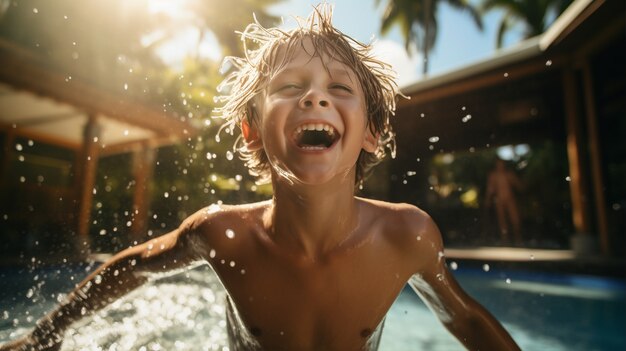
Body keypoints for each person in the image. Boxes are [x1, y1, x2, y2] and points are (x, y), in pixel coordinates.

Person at [1, 5, 520, 351]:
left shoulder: (406, 236)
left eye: (339, 89)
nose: (313, 97)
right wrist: (43, 336)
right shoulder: (225, 235)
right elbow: (134, 268)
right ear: (250, 131)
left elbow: (466, 320)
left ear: (373, 132)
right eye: (289, 86)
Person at [485, 158, 524, 246]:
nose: (500, 166)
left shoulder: (508, 174)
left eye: (502, 164)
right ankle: (505, 240)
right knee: (502, 221)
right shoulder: (494, 175)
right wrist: (488, 200)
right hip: (499, 201)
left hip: (510, 199)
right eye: (498, 164)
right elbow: (490, 189)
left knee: (515, 219)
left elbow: (518, 184)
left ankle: (518, 238)